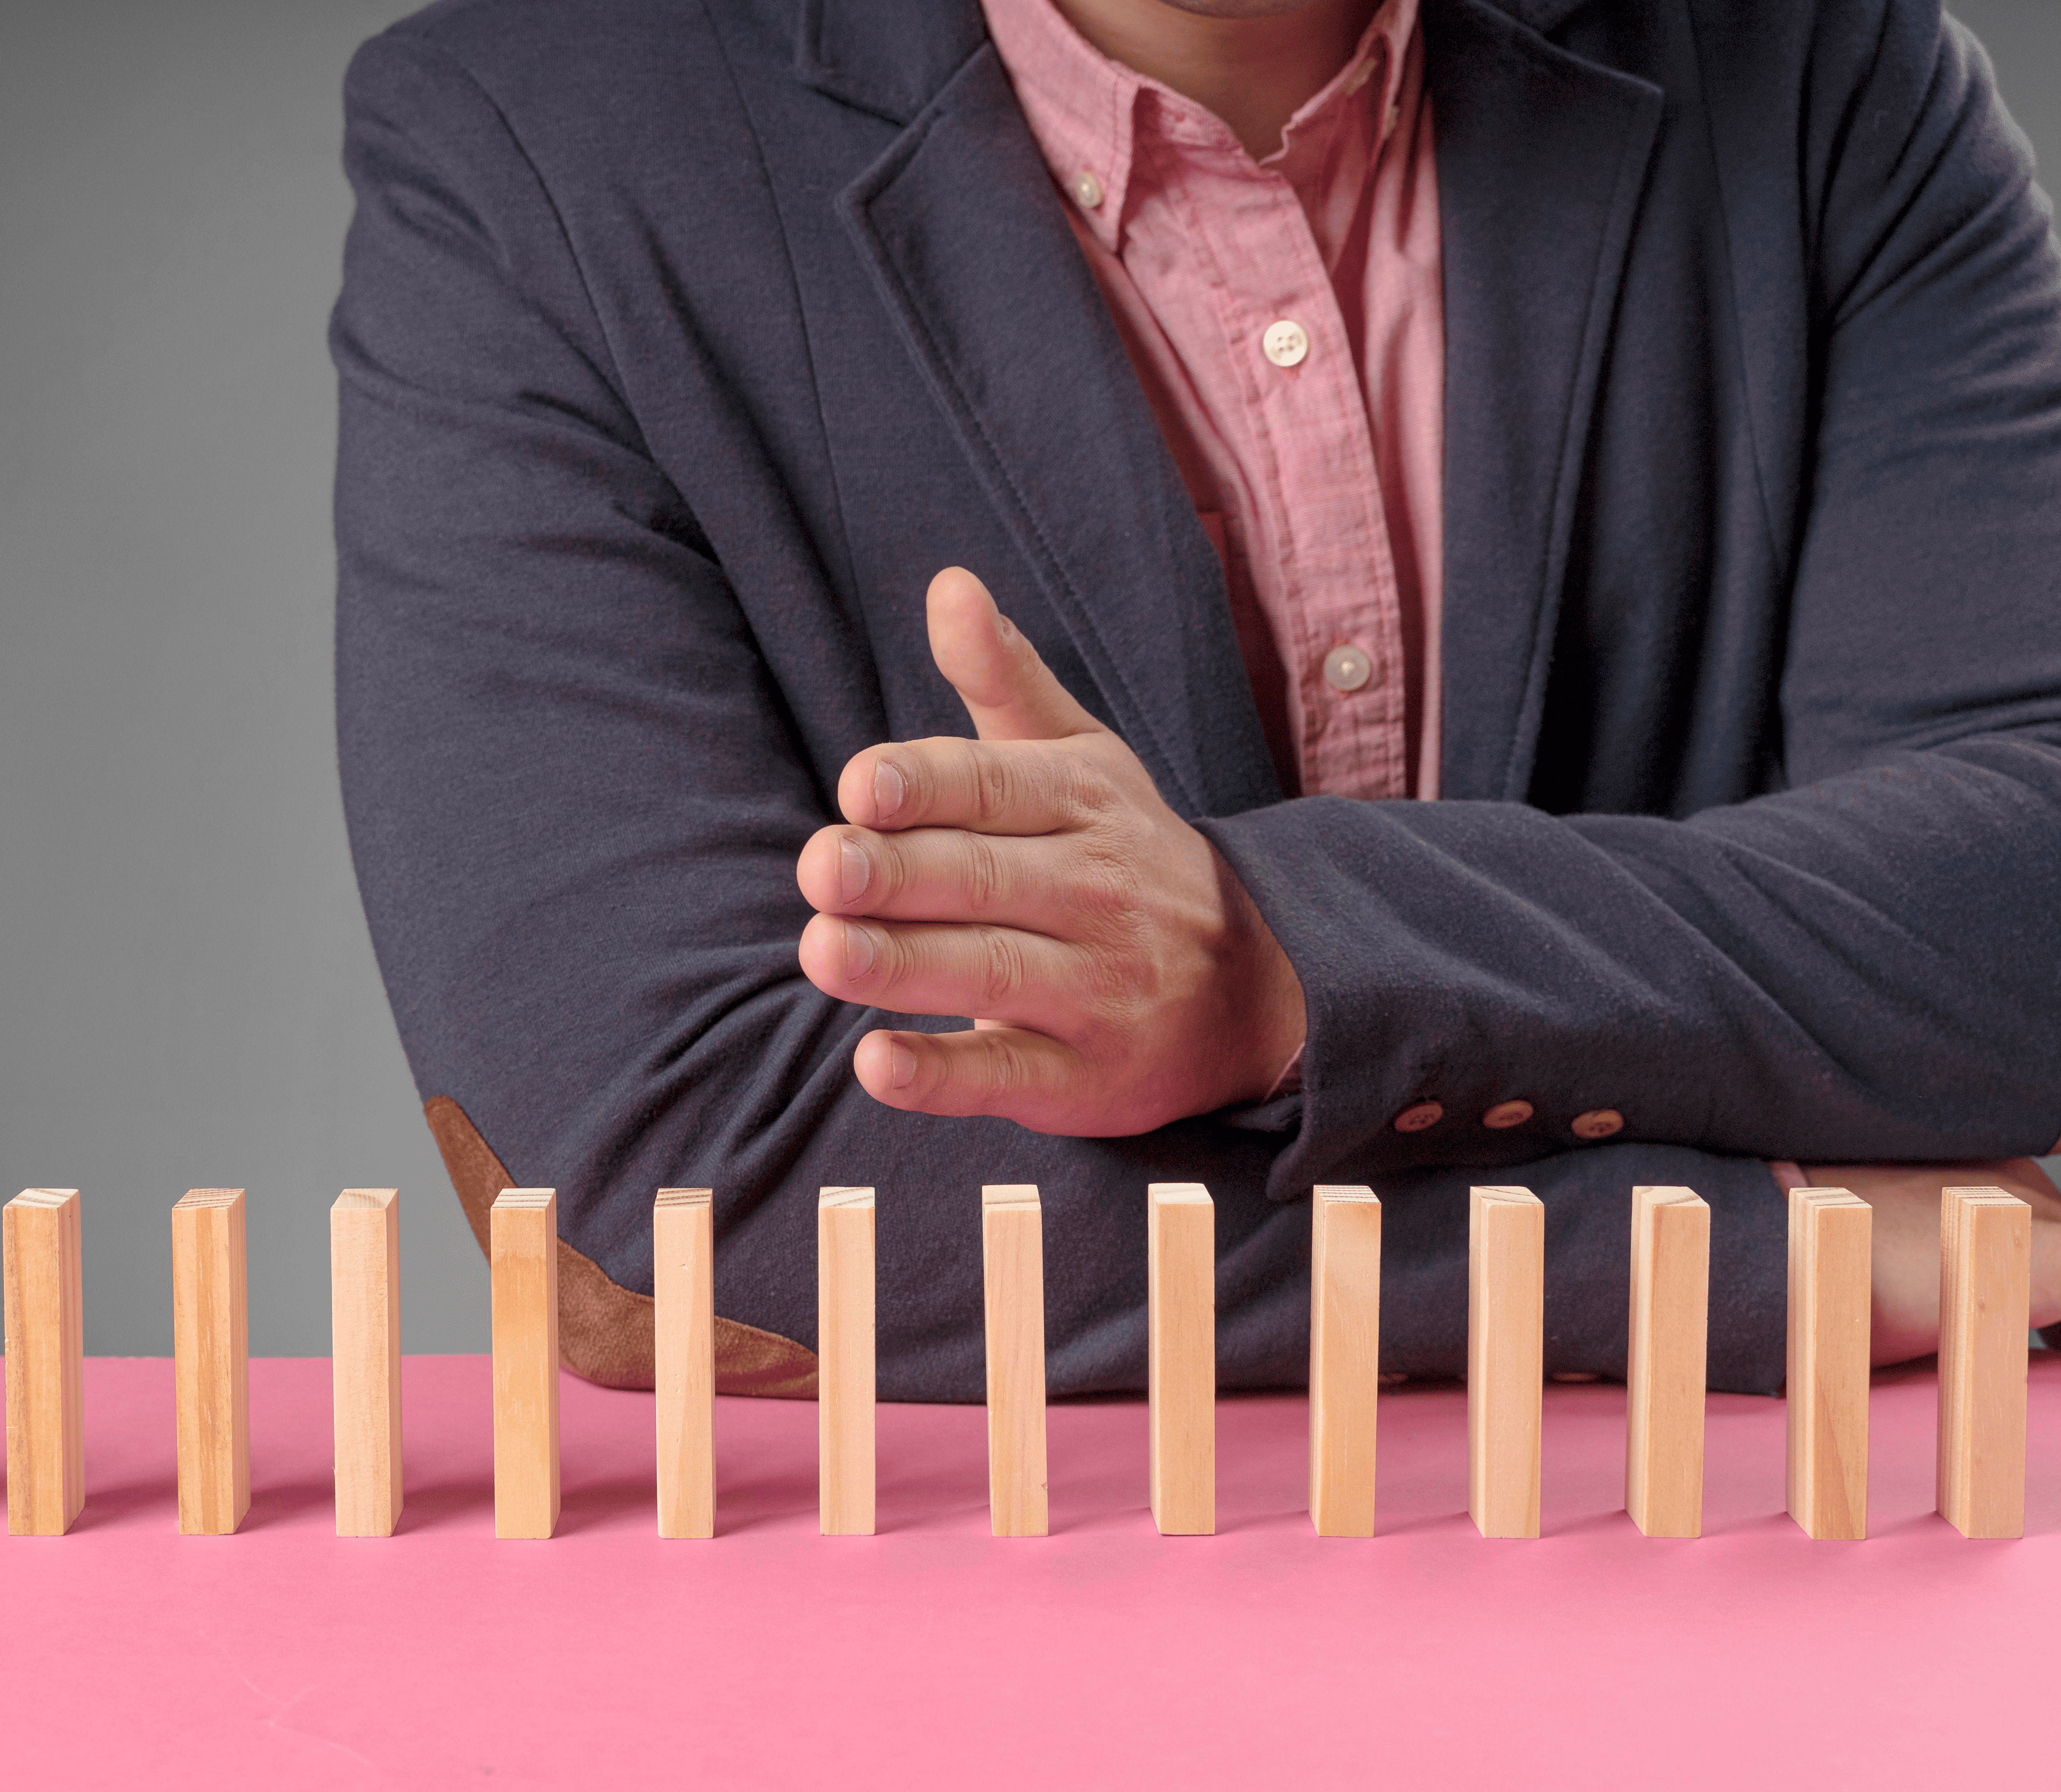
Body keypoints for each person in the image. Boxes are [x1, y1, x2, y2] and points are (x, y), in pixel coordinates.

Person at [332, 0, 2061, 1401]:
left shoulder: (1826, 70)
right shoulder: (529, 140)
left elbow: (2025, 888)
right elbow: (672, 1192)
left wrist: (1282, 963)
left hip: (1735, 1610)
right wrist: (1740, 1253)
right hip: (1008, 1644)